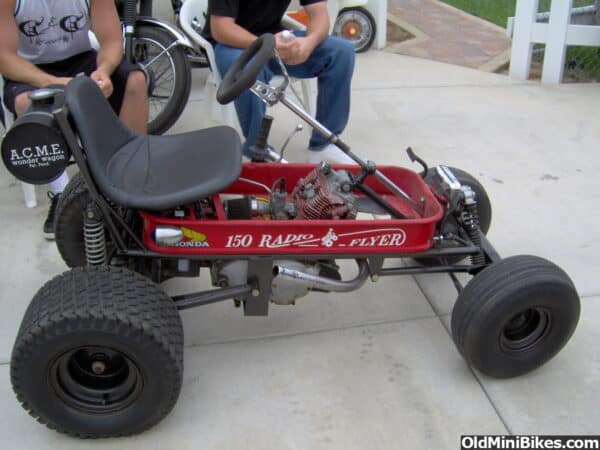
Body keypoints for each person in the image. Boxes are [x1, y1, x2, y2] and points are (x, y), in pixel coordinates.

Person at [0, 0, 148, 239]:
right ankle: (61, 194)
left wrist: (104, 71)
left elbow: (111, 42)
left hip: (80, 59)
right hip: (29, 68)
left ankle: (133, 181)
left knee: (135, 80)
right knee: (25, 103)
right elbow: (5, 58)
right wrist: (53, 83)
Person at [205, 0, 356, 164]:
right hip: (232, 43)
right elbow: (221, 28)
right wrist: (268, 45)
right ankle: (258, 152)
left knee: (341, 52)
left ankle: (323, 147)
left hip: (275, 38)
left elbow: (319, 15)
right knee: (249, 73)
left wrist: (309, 43)